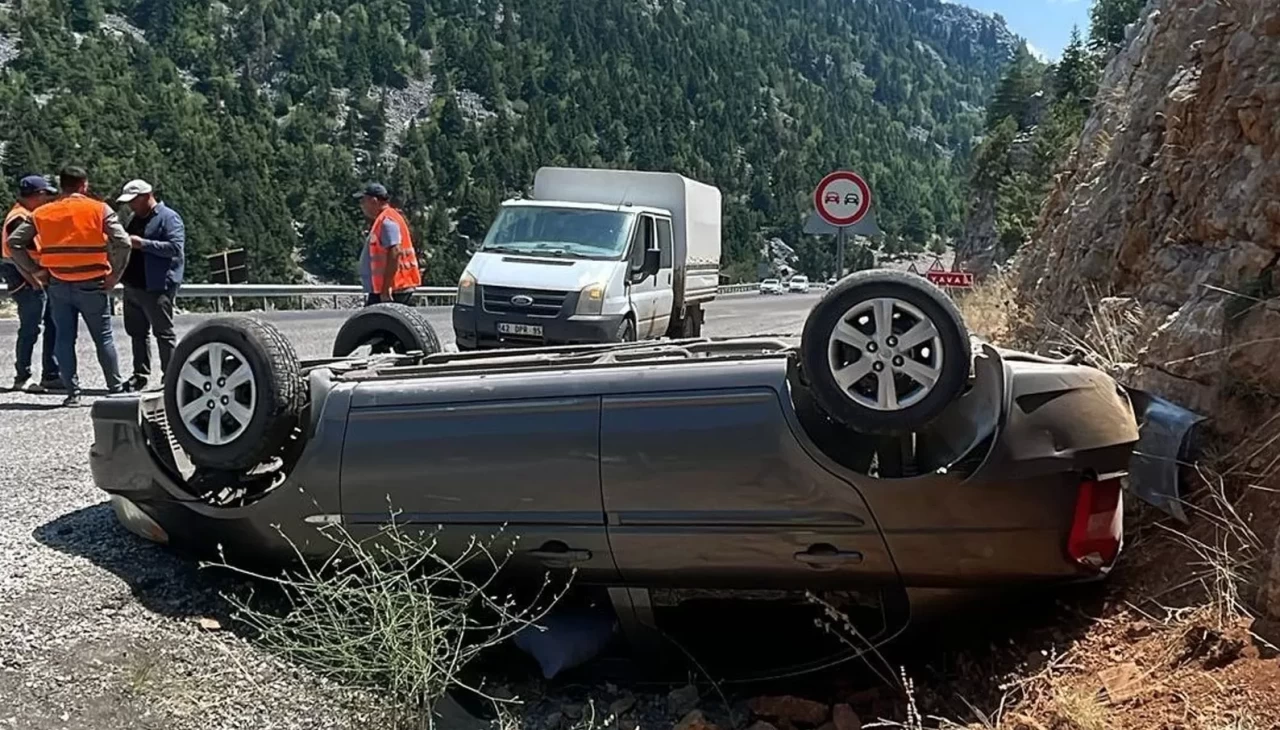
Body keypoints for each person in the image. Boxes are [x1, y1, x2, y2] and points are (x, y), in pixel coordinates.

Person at [7, 166, 131, 406]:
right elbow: (123, 242)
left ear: (61, 185)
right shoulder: (99, 209)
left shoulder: (42, 213)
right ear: (84, 185)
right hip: (93, 282)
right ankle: (115, 389)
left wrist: (35, 270)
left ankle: (73, 393)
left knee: (64, 339)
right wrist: (115, 275)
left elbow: (14, 243)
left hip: (59, 283)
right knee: (103, 338)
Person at [116, 179, 185, 392]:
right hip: (133, 285)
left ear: (147, 196)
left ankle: (170, 377)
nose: (131, 205)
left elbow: (175, 248)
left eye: (134, 200)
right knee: (137, 333)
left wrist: (143, 244)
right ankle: (140, 375)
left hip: (157, 286)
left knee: (163, 333)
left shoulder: (168, 218)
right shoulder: (133, 218)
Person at [1, 174, 62, 392]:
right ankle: (23, 376)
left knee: (51, 323)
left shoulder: (26, 214)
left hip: (36, 276)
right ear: (37, 194)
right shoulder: (19, 218)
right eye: (46, 195)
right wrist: (34, 279)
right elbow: (17, 254)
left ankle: (51, 374)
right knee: (30, 327)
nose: (48, 200)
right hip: (25, 277)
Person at [355, 182, 421, 306]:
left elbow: (395, 252)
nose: (361, 205)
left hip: (392, 289)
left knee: (372, 318)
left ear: (374, 201)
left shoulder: (387, 221)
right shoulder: (388, 217)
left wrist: (386, 288)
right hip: (391, 288)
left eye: (363, 201)